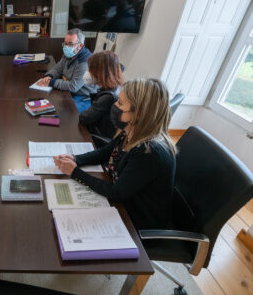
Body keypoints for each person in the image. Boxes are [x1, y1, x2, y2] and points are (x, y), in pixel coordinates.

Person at [54, 78, 177, 230]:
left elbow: (116, 192)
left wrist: (74, 172)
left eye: (120, 103)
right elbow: (106, 152)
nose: (114, 106)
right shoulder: (131, 131)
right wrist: (76, 159)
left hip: (137, 221)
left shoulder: (148, 153)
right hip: (124, 201)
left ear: (138, 114)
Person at [36, 28, 97, 112]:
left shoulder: (85, 62)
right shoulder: (69, 54)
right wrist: (49, 76)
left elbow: (73, 86)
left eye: (70, 44)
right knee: (50, 105)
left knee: (63, 111)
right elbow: (57, 69)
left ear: (80, 46)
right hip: (71, 92)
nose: (66, 47)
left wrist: (51, 82)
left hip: (84, 97)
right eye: (65, 43)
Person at [79, 51, 124, 138]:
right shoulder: (116, 87)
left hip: (98, 138)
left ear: (100, 72)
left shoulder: (107, 97)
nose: (88, 71)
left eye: (90, 68)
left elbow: (84, 118)